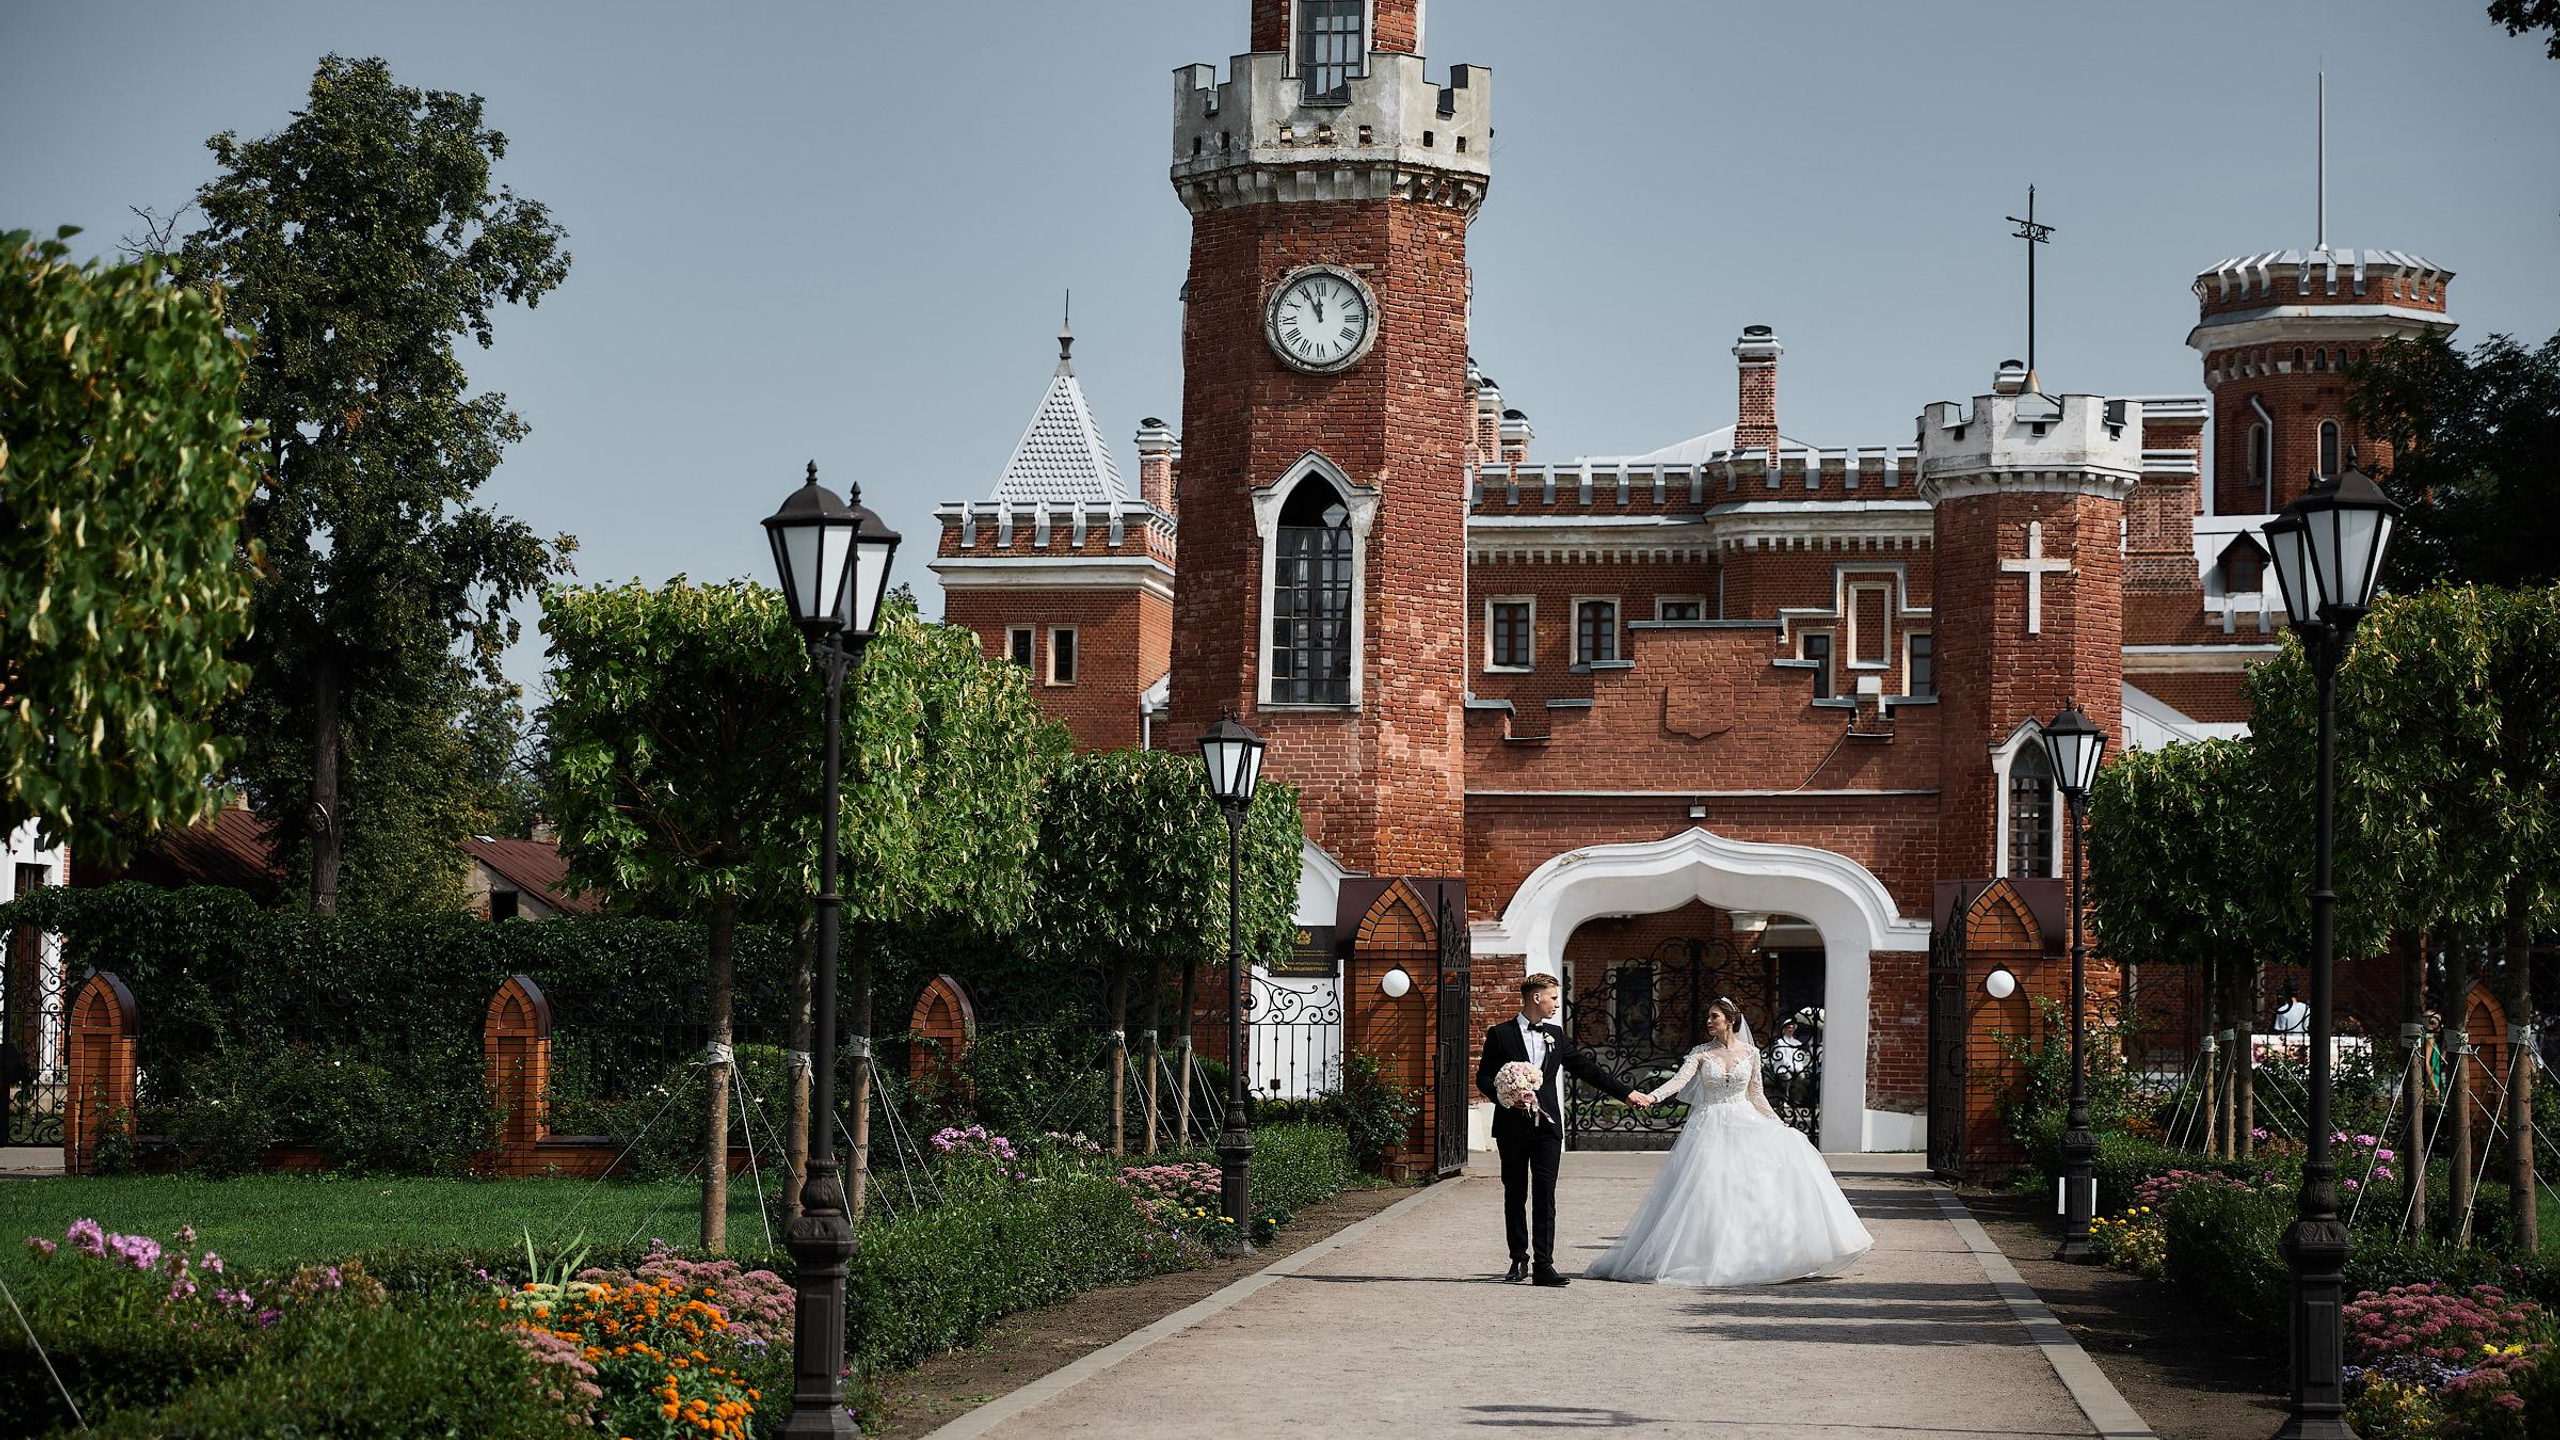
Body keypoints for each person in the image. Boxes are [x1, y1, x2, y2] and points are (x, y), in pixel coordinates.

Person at [1586, 997, 1874, 1287]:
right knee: (1708, 1190)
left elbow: (1757, 1094)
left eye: (1714, 1017)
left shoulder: (1750, 1053)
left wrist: (1777, 1123)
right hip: (1708, 1126)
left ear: (1730, 1020)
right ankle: (1704, 1255)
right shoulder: (1700, 1053)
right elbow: (1678, 1082)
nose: (1709, 1022)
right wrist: (1651, 1096)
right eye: (1708, 1017)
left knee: (1748, 1189)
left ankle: (1756, 1255)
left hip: (1744, 1122)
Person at [1475, 973, 1652, 1287]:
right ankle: (1518, 1259)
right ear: (1536, 998)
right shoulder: (1500, 1034)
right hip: (1512, 1128)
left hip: (1548, 1128)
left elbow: (1588, 1069)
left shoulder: (1555, 1034)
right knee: (1515, 1193)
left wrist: (1626, 1094)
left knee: (1545, 1194)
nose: (1557, 1003)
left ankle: (1544, 1265)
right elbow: (1484, 1078)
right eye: (1553, 998)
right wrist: (1505, 1097)